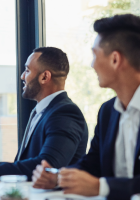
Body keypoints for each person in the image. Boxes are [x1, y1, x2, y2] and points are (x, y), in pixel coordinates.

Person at [32, 14, 140, 200]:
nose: (92, 65)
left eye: (95, 55)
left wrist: (102, 187)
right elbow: (92, 163)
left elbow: (101, 184)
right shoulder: (108, 111)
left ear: (115, 60)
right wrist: (58, 178)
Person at [0, 47, 88, 180]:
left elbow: (46, 167)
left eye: (27, 70)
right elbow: (24, 163)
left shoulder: (65, 113)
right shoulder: (43, 111)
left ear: (44, 77)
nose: (22, 76)